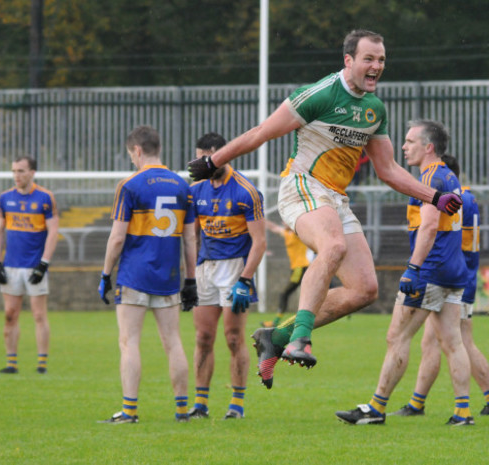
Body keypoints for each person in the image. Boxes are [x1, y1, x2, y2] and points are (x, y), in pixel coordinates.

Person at [188, 29, 462, 390]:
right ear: (348, 61)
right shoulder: (318, 94)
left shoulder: (374, 110)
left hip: (334, 198)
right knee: (333, 247)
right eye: (369, 59)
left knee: (364, 289)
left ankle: (277, 336)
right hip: (301, 186)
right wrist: (213, 162)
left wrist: (434, 197)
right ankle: (301, 339)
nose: (376, 66)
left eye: (381, 60)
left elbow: (388, 170)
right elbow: (260, 133)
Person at [335, 120, 474, 426]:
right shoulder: (448, 176)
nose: (403, 147)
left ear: (429, 148)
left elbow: (428, 226)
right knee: (453, 342)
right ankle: (463, 413)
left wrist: (413, 268)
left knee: (396, 336)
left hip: (431, 271)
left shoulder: (432, 180)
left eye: (410, 141)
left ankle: (376, 408)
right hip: (453, 271)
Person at [391, 155, 489, 417]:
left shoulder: (455, 198)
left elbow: (444, 237)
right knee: (439, 343)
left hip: (453, 276)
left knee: (456, 343)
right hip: (462, 274)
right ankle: (419, 403)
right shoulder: (468, 196)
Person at [97, 125, 196, 424]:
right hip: (168, 276)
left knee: (129, 342)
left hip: (134, 275)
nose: (131, 159)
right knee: (173, 341)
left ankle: (129, 411)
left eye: (131, 154)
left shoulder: (130, 185)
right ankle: (182, 410)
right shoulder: (182, 185)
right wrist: (190, 279)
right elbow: (191, 239)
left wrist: (105, 274)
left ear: (137, 150)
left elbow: (116, 238)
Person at [187, 132, 266, 420]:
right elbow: (192, 236)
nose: (199, 164)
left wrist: (245, 280)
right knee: (203, 337)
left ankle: (236, 405)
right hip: (205, 267)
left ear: (220, 155)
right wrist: (189, 276)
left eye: (203, 158)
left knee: (233, 338)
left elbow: (260, 242)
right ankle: (200, 404)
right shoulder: (196, 190)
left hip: (235, 269)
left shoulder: (246, 191)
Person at [0, 155, 59, 374]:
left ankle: (42, 363)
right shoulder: (4, 198)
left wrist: (44, 264)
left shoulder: (45, 198)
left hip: (34, 265)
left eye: (21, 171)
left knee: (39, 315)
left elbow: (53, 232)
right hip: (11, 265)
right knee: (10, 314)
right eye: (14, 171)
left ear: (32, 172)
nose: (16, 175)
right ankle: (11, 363)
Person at [261, 219, 309, 328]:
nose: (283, 223)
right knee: (288, 294)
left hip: (301, 267)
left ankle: (276, 322)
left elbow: (297, 227)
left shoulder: (298, 233)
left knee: (284, 294)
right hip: (297, 268)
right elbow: (274, 228)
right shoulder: (287, 234)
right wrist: (260, 219)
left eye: (285, 221)